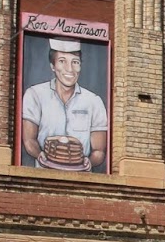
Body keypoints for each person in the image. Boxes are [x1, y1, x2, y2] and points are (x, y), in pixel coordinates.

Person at [20, 37, 107, 171]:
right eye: (62, 61)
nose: (69, 69)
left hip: (81, 180)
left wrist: (89, 162)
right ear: (52, 66)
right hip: (43, 176)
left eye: (75, 62)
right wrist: (40, 155)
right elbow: (28, 140)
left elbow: (99, 150)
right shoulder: (35, 94)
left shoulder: (94, 101)